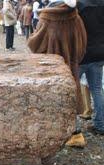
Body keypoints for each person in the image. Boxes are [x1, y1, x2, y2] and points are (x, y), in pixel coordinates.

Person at [28, 0, 87, 146]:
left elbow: (34, 44)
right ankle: (76, 134)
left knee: (50, 98)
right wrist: (73, 59)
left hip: (51, 67)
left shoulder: (47, 18)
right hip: (70, 66)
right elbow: (82, 44)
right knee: (71, 96)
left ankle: (52, 135)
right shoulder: (76, 17)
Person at [77, 0, 104, 135]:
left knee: (73, 90)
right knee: (97, 90)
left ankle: (74, 128)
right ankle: (101, 125)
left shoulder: (79, 5)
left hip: (82, 54)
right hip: (99, 53)